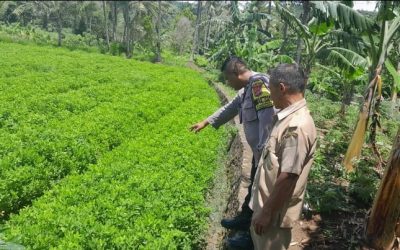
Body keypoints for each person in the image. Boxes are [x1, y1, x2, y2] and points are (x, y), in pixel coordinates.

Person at [190, 56, 275, 249]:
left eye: (228, 78)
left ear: (235, 73)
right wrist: (206, 122)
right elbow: (230, 108)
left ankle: (250, 238)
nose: (227, 82)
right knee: (253, 192)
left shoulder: (259, 85)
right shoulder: (246, 90)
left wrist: (263, 157)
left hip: (263, 156)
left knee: (260, 196)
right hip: (257, 155)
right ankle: (244, 221)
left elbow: (267, 122)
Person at [249, 63, 317, 249]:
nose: (269, 95)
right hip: (269, 210)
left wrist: (267, 213)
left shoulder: (297, 126)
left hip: (273, 216)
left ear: (281, 88)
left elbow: (288, 176)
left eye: (270, 89)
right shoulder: (287, 118)